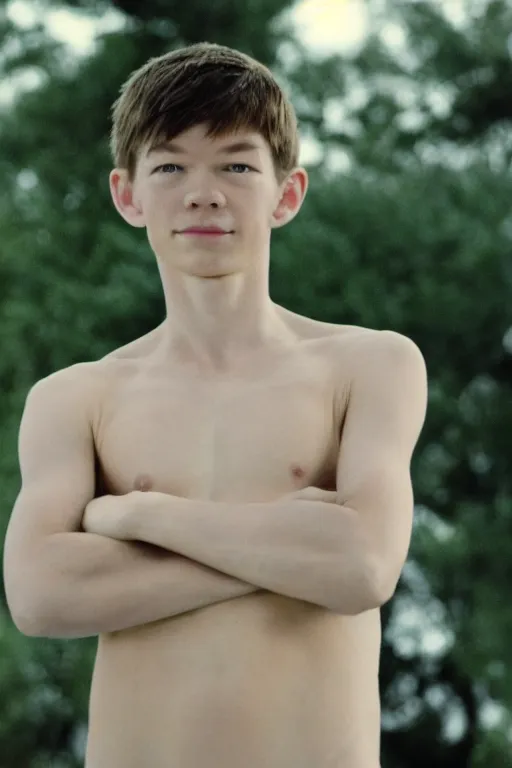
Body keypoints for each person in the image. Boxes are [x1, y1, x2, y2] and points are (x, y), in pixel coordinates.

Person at [3, 42, 428, 768]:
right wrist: (288, 551)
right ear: (127, 194)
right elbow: (41, 597)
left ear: (286, 193)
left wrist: (141, 518)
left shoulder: (370, 365)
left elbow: (362, 568)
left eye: (236, 165)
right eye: (170, 167)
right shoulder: (76, 398)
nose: (203, 193)